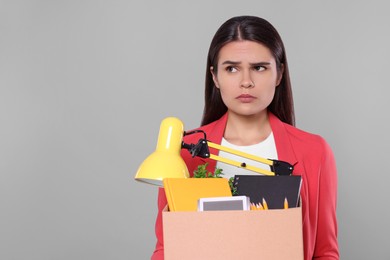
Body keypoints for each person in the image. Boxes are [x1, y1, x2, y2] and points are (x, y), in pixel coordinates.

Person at [151, 15, 339, 260]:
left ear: (279, 73)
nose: (246, 82)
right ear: (215, 77)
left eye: (259, 68)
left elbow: (325, 252)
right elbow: (166, 248)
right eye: (231, 68)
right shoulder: (185, 153)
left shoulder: (314, 151)